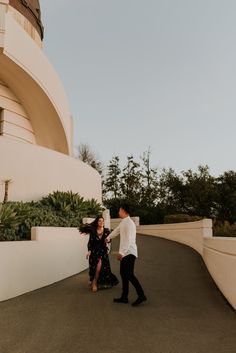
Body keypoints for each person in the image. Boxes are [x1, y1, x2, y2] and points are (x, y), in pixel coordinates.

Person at [106, 203, 147, 306]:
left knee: (129, 274)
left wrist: (121, 253)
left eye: (119, 210)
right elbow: (116, 231)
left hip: (129, 252)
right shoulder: (123, 222)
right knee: (124, 274)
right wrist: (108, 238)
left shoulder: (129, 223)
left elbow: (128, 240)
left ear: (124, 211)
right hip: (126, 253)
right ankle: (124, 297)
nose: (118, 212)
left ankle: (141, 295)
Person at [79, 215, 119, 292]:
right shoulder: (93, 231)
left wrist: (108, 241)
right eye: (100, 221)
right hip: (94, 251)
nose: (101, 222)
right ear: (97, 222)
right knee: (94, 267)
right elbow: (90, 242)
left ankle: (94, 282)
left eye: (102, 221)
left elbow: (109, 240)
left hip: (103, 251)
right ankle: (94, 281)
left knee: (99, 266)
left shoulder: (107, 231)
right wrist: (89, 251)